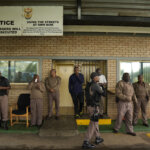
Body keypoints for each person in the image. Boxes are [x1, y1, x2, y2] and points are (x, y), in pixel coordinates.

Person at [82, 72, 104, 149]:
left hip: (91, 105)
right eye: (98, 76)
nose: (99, 77)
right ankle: (86, 141)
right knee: (92, 124)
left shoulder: (90, 84)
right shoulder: (95, 85)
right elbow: (103, 93)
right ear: (94, 78)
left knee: (96, 122)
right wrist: (102, 87)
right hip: (93, 107)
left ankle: (97, 137)